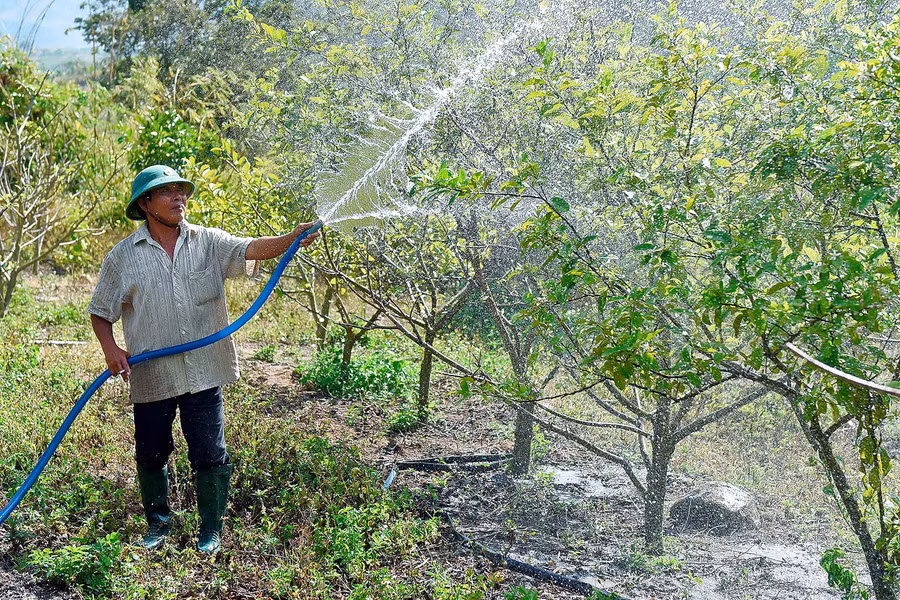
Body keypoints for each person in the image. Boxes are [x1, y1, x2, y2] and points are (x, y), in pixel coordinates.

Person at [89, 165, 319, 554]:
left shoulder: (208, 241)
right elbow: (100, 311)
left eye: (182, 190)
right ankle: (158, 527)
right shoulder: (122, 257)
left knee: (210, 453)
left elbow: (250, 248)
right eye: (168, 192)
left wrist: (290, 238)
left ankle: (210, 531)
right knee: (151, 452)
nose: (179, 197)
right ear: (145, 204)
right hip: (152, 373)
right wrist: (112, 350)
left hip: (203, 370)